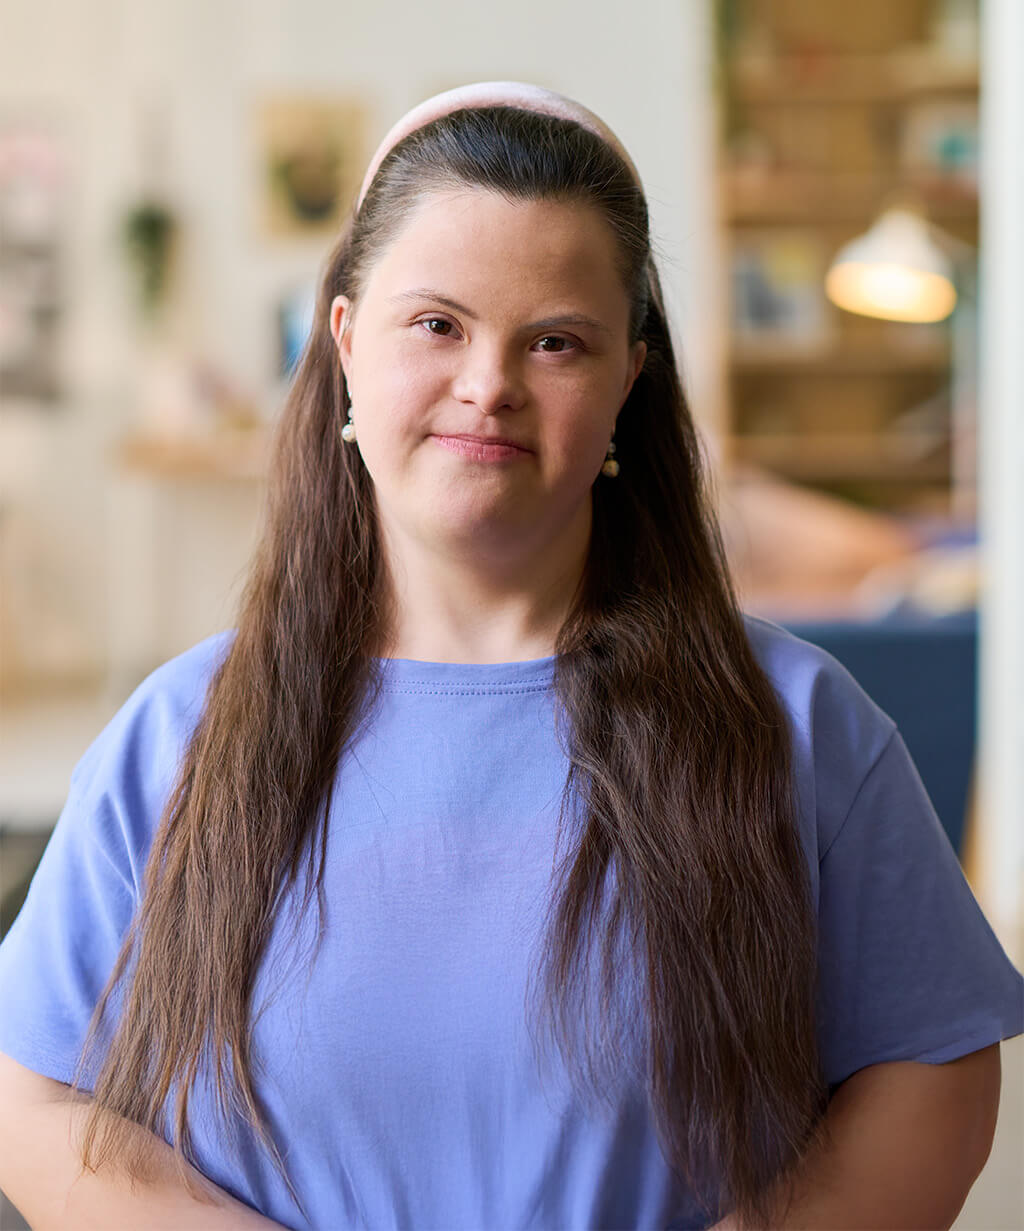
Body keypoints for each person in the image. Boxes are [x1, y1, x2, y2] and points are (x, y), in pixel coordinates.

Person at [0, 81, 1021, 1231]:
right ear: (343, 340)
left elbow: (934, 1069)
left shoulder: (793, 717)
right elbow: (30, 1094)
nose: (488, 385)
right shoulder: (179, 730)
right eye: (436, 325)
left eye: (555, 342)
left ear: (630, 377)